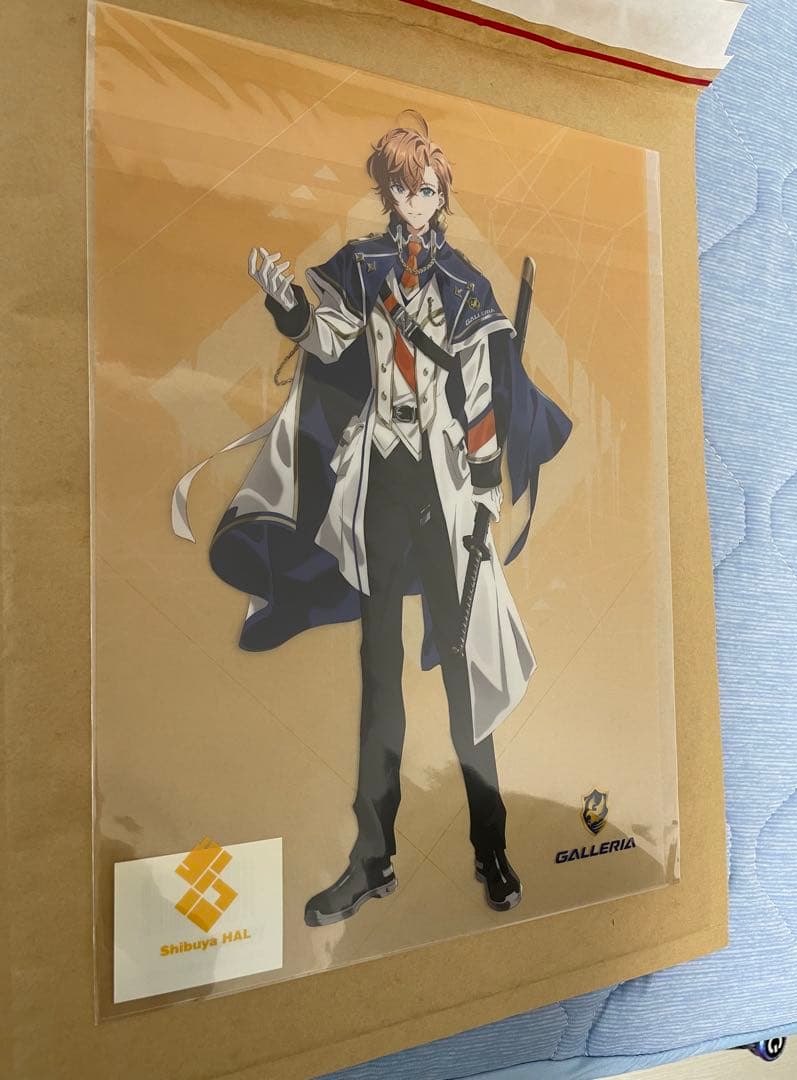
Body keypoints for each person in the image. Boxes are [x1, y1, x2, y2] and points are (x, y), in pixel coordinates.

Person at [172, 112, 571, 927]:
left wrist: (485, 492)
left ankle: (491, 846)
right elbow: (330, 341)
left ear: (441, 195)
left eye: (426, 190)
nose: (414, 201)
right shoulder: (364, 266)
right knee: (379, 672)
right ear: (386, 192)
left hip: (446, 491)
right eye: (401, 188)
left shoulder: (465, 283)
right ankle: (372, 857)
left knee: (461, 669)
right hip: (380, 482)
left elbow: (480, 396)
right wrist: (288, 304)